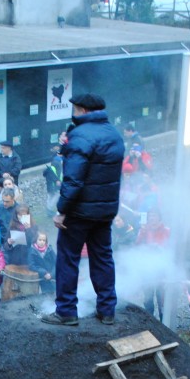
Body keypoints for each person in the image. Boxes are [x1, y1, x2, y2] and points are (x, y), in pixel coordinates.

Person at [41, 94, 123, 326]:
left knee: (68, 259)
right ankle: (107, 310)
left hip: (79, 213)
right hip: (105, 211)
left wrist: (62, 210)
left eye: (75, 109)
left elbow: (74, 180)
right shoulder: (114, 134)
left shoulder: (80, 136)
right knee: (103, 257)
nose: (73, 114)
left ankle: (66, 311)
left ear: (83, 111)